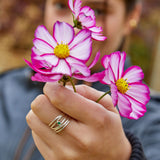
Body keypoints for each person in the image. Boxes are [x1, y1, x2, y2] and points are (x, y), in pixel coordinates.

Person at [0, 0, 160, 159]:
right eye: (61, 6)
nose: (74, 27)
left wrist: (123, 156)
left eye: (98, 11)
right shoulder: (5, 86)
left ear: (132, 16)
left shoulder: (152, 121)